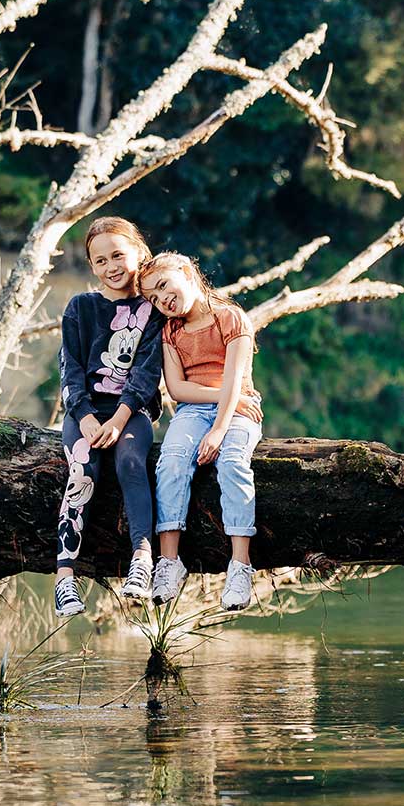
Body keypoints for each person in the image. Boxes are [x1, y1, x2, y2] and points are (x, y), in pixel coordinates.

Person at [137, 251, 261, 611]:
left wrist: (220, 429)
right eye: (153, 299)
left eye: (163, 286)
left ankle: (240, 565)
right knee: (171, 461)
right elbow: (177, 390)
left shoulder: (230, 317)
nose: (163, 300)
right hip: (195, 410)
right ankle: (169, 562)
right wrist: (227, 400)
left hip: (240, 410)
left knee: (233, 463)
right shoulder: (170, 332)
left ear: (187, 272)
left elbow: (236, 380)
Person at [54, 216, 164, 616]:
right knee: (83, 472)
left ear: (138, 253)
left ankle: (142, 558)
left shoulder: (154, 312)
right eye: (100, 261)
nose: (111, 266)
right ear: (92, 266)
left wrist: (118, 421)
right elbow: (70, 369)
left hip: (130, 412)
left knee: (132, 464)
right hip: (85, 411)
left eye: (118, 255)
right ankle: (65, 578)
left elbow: (147, 374)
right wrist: (83, 416)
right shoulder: (81, 308)